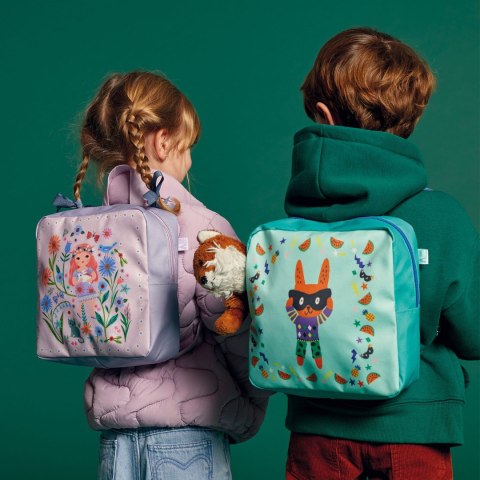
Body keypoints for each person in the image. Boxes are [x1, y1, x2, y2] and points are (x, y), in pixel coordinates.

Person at [284, 28, 479, 480]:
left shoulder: (299, 217)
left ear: (322, 115)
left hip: (317, 427)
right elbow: (473, 337)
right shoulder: (442, 217)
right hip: (415, 427)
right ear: (411, 119)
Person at [74, 71, 268, 479]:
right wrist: (252, 400)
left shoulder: (88, 234)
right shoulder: (202, 229)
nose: (190, 160)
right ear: (163, 142)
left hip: (115, 440)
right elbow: (236, 331)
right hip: (188, 435)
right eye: (187, 145)